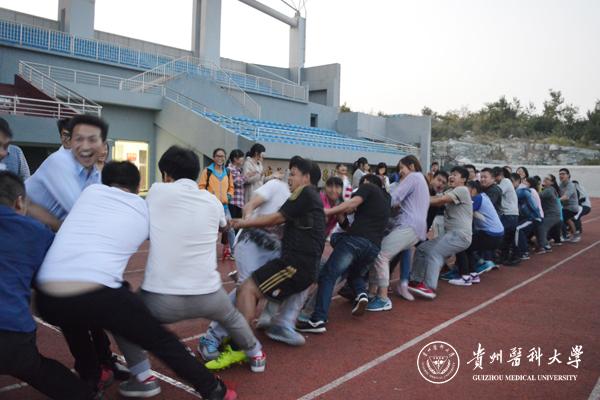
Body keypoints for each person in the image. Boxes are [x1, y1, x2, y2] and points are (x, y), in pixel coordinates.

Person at [34, 161, 237, 400]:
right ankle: (213, 389)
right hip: (97, 291)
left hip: (46, 295)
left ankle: (92, 377)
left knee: (74, 318)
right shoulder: (143, 209)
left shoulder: (89, 193)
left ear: (104, 182)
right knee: (159, 339)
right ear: (138, 186)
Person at [115, 147, 264, 395]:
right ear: (196, 173)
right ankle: (256, 354)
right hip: (209, 295)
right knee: (232, 318)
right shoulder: (212, 201)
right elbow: (223, 226)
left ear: (166, 174)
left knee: (122, 319)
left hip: (160, 298)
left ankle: (142, 377)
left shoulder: (157, 191)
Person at [24, 114, 127, 381]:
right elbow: (83, 209)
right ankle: (91, 371)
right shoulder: (59, 162)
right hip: (29, 245)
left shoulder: (88, 169)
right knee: (69, 307)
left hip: (55, 243)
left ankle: (102, 361)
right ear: (66, 139)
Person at [0, 171, 96, 400]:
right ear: (20, 202)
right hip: (11, 334)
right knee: (36, 368)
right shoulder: (34, 231)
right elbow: (57, 273)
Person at [231, 156, 326, 334]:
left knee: (247, 289)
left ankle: (242, 341)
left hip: (294, 265)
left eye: (294, 174)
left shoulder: (303, 193)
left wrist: (244, 223)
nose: (289, 178)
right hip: (298, 262)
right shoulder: (313, 198)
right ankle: (278, 325)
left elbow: (277, 218)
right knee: (253, 286)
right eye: (289, 174)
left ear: (306, 177)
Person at [296, 173, 390, 333]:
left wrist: (327, 212)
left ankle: (318, 319)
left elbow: (352, 203)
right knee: (353, 273)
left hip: (355, 242)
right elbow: (347, 222)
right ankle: (361, 293)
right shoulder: (387, 198)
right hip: (373, 248)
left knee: (328, 275)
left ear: (368, 183)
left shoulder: (368, 187)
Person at [367, 155, 429, 310]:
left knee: (381, 254)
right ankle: (371, 292)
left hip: (409, 225)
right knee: (379, 253)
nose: (400, 171)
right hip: (415, 228)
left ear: (412, 166)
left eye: (402, 168)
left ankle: (382, 298)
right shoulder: (421, 180)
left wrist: (373, 201)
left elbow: (394, 198)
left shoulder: (413, 177)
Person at [25, 114, 106, 231]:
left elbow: (99, 207)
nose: (86, 146)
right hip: (21, 230)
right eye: (79, 139)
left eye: (93, 139)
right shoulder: (59, 161)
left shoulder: (94, 173)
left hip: (45, 232)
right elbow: (80, 212)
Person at [408, 166, 473, 299]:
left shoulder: (462, 190)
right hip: (451, 235)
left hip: (460, 235)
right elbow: (435, 200)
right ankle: (415, 280)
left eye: (455, 174)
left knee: (435, 253)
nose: (451, 177)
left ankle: (429, 287)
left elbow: (440, 201)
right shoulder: (450, 191)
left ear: (464, 179)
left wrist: (416, 199)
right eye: (451, 174)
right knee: (422, 248)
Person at [448, 180, 504, 286]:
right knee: (468, 246)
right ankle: (473, 275)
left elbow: (463, 212)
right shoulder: (483, 196)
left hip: (491, 234)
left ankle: (465, 277)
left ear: (473, 190)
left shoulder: (477, 198)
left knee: (461, 245)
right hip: (495, 234)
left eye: (466, 190)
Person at [199, 148, 236, 260]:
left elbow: (231, 187)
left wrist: (229, 196)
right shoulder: (207, 171)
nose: (220, 158)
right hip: (210, 207)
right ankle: (207, 254)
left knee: (230, 229)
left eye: (222, 156)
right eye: (218, 156)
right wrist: (209, 198)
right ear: (214, 157)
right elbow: (201, 187)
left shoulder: (227, 172)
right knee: (211, 231)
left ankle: (234, 252)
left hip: (224, 207)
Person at [492, 166, 520, 264]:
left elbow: (497, 191)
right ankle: (505, 257)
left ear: (500, 175)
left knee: (507, 237)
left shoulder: (506, 181)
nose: (494, 179)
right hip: (509, 213)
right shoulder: (504, 182)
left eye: (494, 177)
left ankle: (514, 257)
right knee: (507, 237)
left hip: (509, 214)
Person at [514, 176, 543, 261]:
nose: (523, 183)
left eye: (525, 181)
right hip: (534, 216)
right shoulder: (528, 190)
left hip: (534, 217)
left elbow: (518, 194)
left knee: (518, 229)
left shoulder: (527, 191)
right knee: (522, 231)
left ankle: (523, 252)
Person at [537, 174, 563, 254]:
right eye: (545, 178)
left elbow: (538, 196)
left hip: (552, 215)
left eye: (547, 179)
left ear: (552, 182)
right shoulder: (549, 189)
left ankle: (545, 246)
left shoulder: (549, 190)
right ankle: (545, 243)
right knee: (543, 228)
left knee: (542, 228)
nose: (545, 179)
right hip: (553, 214)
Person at [558, 168, 580, 242]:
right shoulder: (561, 184)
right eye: (560, 174)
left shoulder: (571, 185)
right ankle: (570, 234)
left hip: (572, 207)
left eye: (563, 174)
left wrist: (556, 200)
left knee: (562, 218)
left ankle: (567, 235)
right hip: (565, 207)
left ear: (568, 175)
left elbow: (566, 197)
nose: (561, 175)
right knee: (566, 219)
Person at [427, 170, 449, 238]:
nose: (440, 183)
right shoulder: (424, 190)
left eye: (443, 183)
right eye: (439, 180)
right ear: (433, 179)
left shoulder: (439, 196)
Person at [227, 149, 246, 220]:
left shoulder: (238, 170)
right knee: (233, 223)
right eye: (241, 157)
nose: (243, 159)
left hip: (238, 202)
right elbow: (238, 182)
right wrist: (247, 176)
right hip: (233, 202)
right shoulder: (230, 169)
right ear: (235, 159)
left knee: (237, 223)